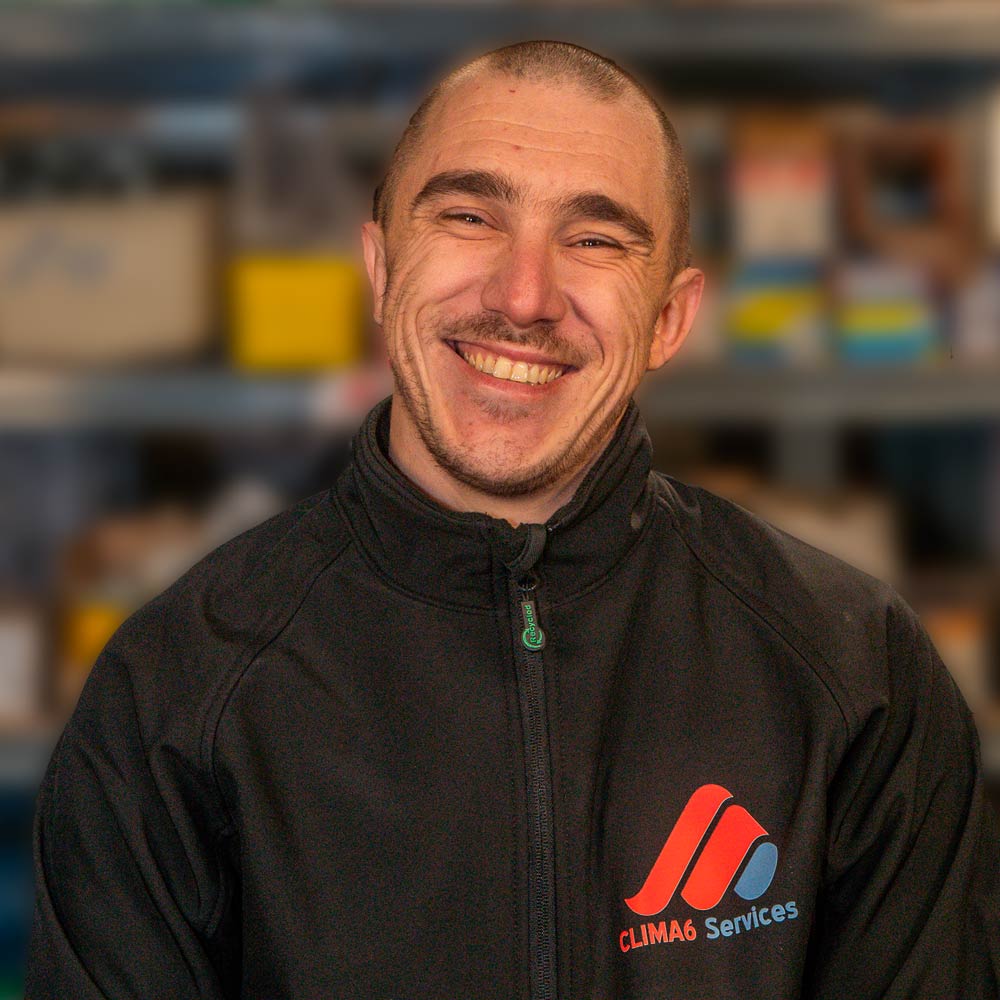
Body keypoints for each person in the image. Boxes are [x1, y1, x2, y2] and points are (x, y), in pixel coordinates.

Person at [26, 40, 999, 999]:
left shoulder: (857, 675)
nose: (523, 296)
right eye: (468, 215)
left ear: (669, 319)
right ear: (380, 267)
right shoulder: (175, 691)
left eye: (596, 239)